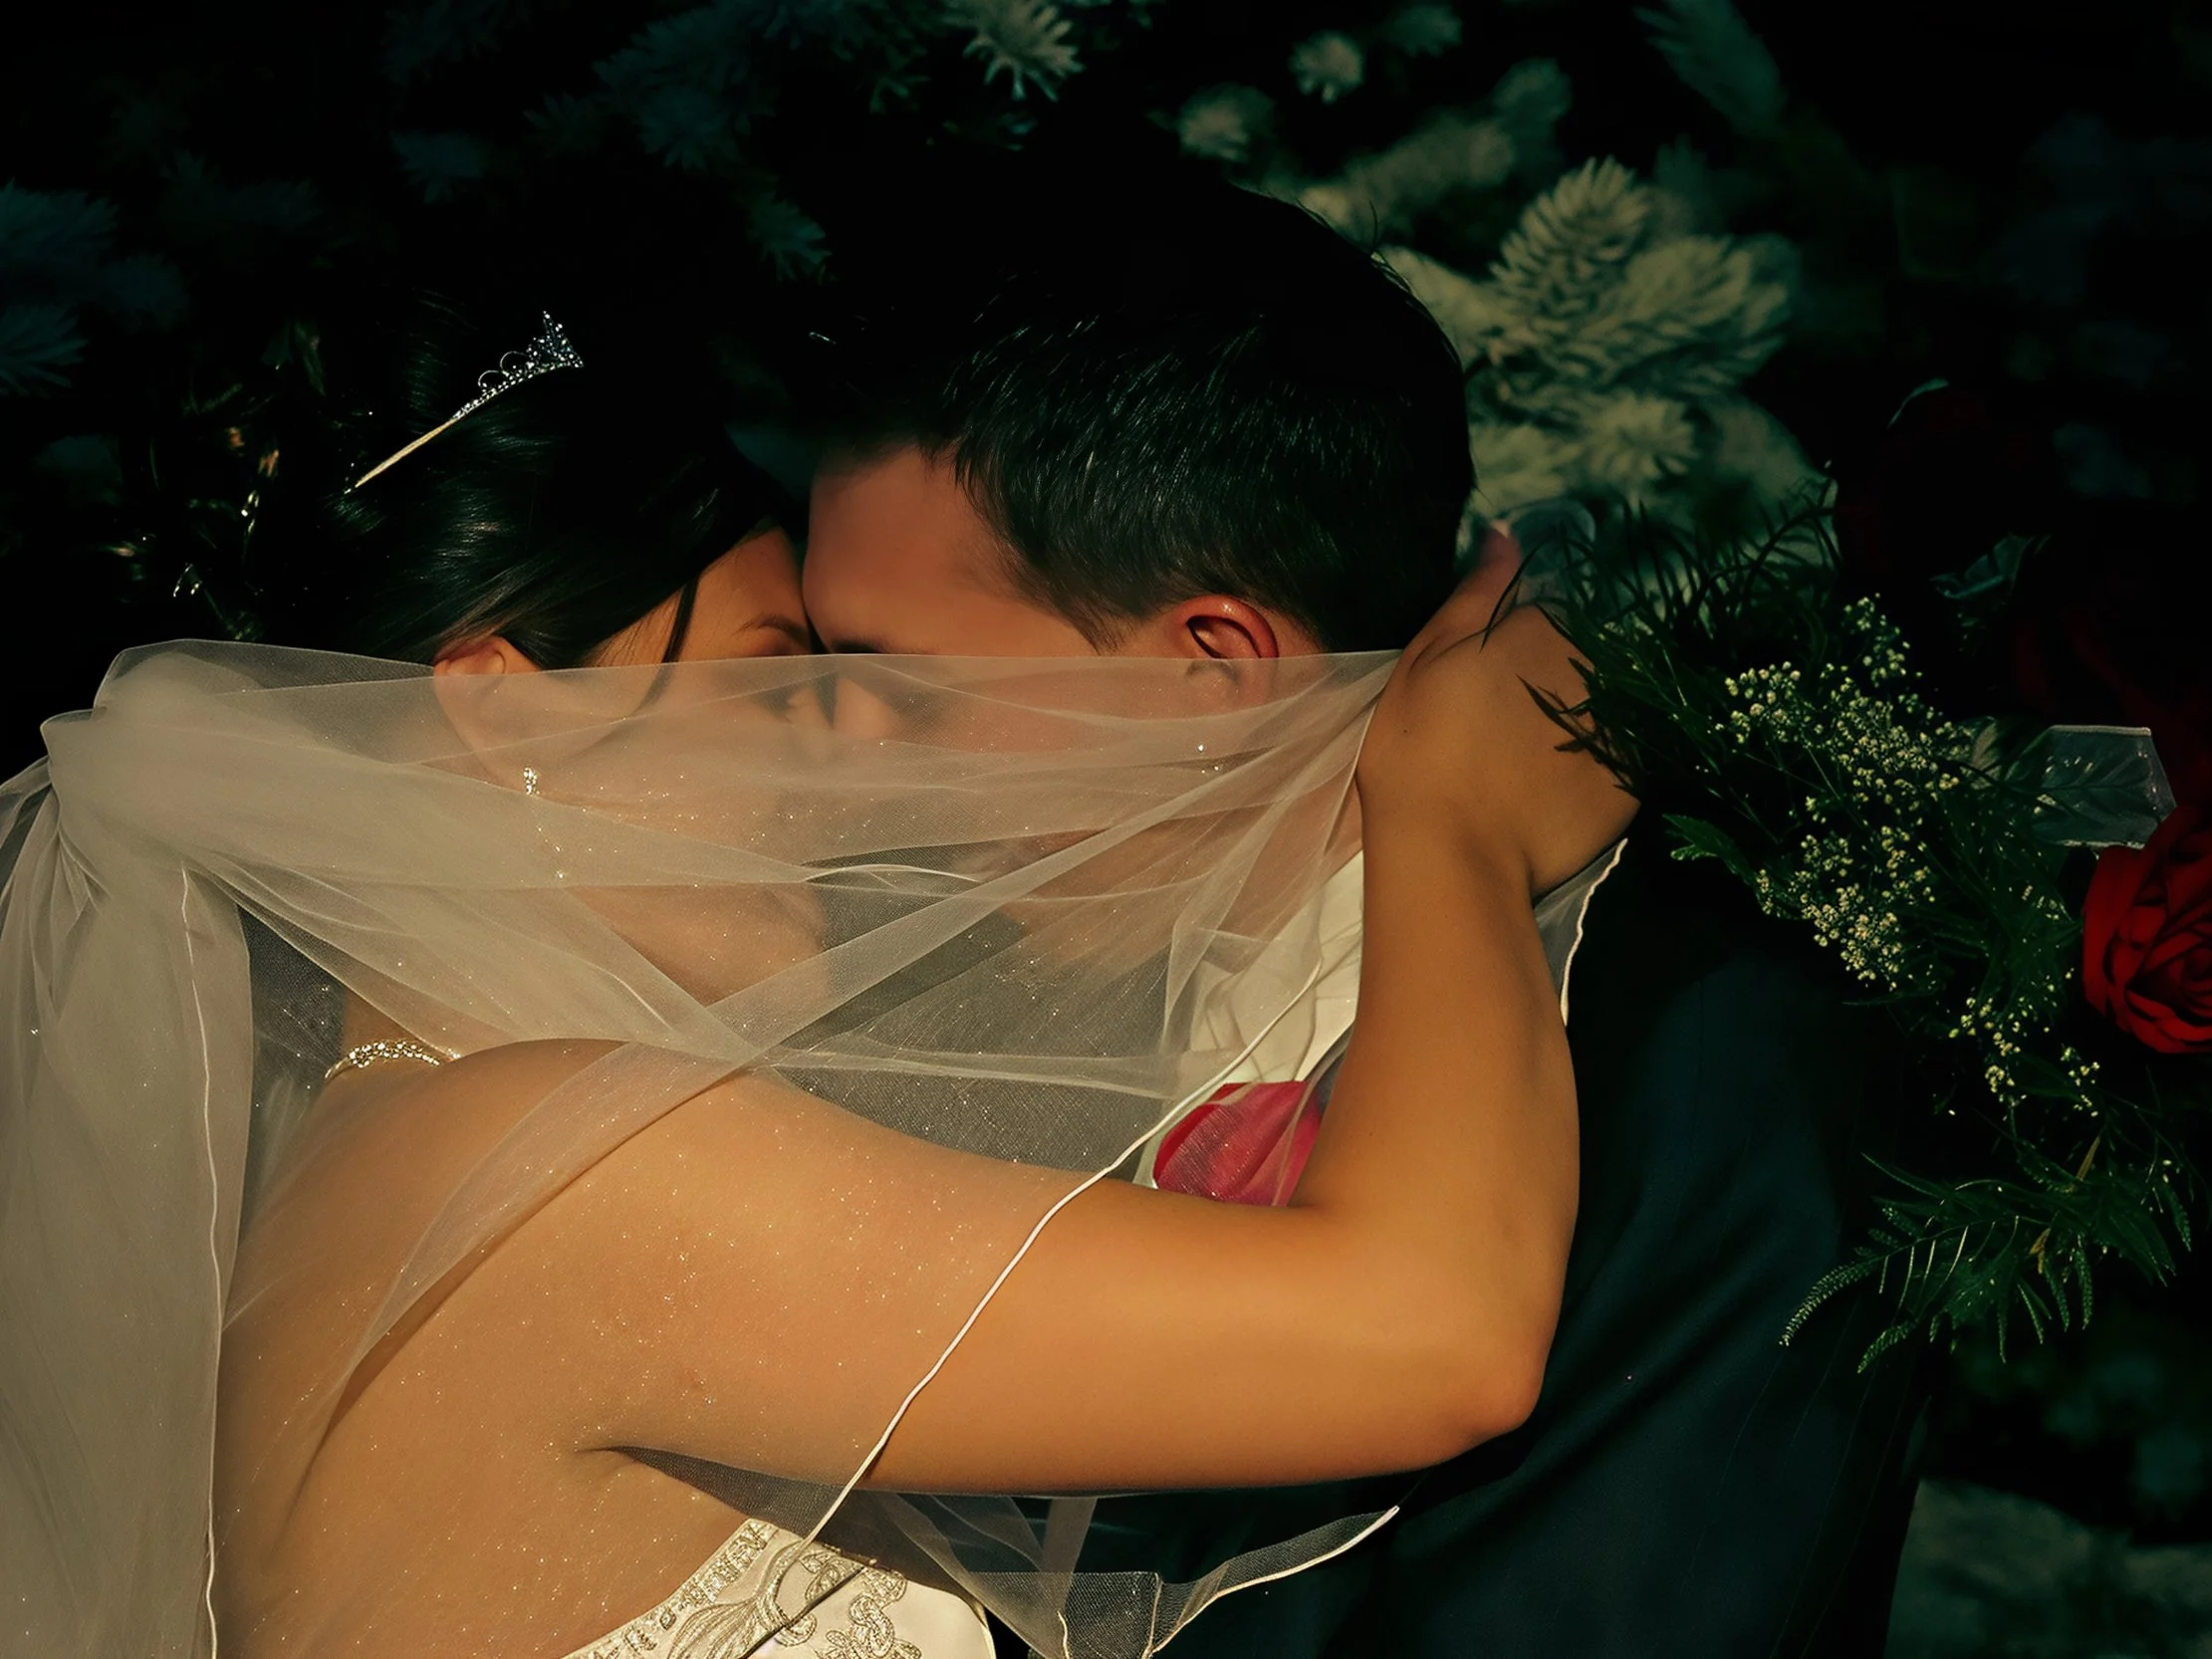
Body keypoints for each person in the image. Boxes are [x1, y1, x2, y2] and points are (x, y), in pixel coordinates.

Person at [0, 292, 1633, 1659]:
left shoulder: (388, 1178)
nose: (847, 774)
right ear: (506, 713)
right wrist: (1450, 823)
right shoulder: (542, 1171)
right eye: (777, 685)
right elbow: (1430, 1333)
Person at [800, 175, 1940, 1657]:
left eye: (900, 682)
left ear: (1211, 669)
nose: (827, 749)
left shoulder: (1710, 1060)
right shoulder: (967, 987)